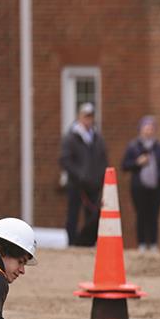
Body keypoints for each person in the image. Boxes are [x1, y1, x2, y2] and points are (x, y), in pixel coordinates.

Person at [59, 102, 108, 247]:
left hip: (93, 184)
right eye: (86, 116)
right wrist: (79, 175)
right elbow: (65, 160)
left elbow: (103, 159)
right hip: (76, 184)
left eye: (91, 116)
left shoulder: (97, 138)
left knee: (92, 215)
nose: (88, 119)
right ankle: (72, 242)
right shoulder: (71, 137)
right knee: (73, 214)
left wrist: (100, 177)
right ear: (79, 117)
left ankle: (88, 242)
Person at [121, 116, 160, 252]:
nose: (148, 130)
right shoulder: (133, 146)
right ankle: (142, 243)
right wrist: (138, 163)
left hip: (156, 187)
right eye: (146, 127)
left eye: (151, 128)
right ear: (141, 129)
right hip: (138, 187)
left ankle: (154, 243)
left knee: (154, 215)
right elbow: (125, 165)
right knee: (141, 215)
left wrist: (157, 176)